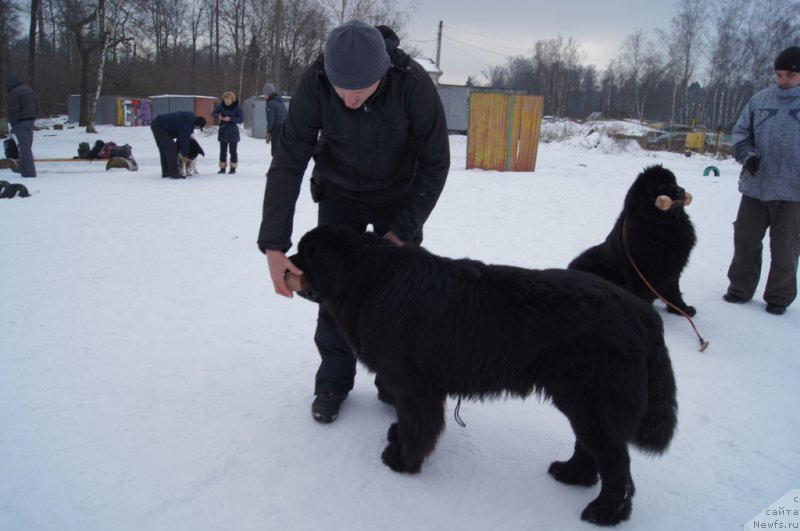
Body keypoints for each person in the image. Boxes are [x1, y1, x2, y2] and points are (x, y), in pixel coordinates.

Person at [257, 20, 450, 423]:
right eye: (340, 90)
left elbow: (435, 164)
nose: (347, 100)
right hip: (340, 193)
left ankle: (394, 380)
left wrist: (400, 233)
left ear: (381, 74)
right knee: (333, 291)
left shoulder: (413, 84)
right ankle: (333, 381)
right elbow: (288, 162)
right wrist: (274, 246)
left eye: (358, 92)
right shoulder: (316, 83)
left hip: (398, 197)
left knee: (401, 295)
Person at [723, 46, 800, 316]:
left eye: (789, 75)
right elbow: (740, 132)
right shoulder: (760, 100)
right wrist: (747, 155)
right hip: (756, 186)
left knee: (785, 246)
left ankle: (779, 297)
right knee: (745, 240)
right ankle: (740, 288)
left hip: (792, 192)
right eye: (779, 74)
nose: (783, 80)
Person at [150, 111, 206, 179]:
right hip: (160, 126)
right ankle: (174, 173)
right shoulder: (186, 125)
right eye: (198, 127)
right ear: (197, 125)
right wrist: (184, 155)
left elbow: (180, 138)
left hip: (157, 123)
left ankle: (166, 172)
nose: (196, 128)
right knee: (171, 148)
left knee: (164, 148)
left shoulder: (188, 119)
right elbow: (184, 140)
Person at [4, 73, 39, 178]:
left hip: (20, 123)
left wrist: (13, 122)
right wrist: (33, 117)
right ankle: (24, 168)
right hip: (30, 121)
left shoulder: (14, 93)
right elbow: (37, 106)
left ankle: (29, 172)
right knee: (26, 147)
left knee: (25, 149)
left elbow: (14, 110)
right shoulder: (29, 90)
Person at [211, 91, 243, 174]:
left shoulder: (237, 108)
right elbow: (213, 113)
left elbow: (241, 119)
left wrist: (231, 119)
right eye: (225, 101)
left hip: (233, 131)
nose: (226, 102)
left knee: (233, 151)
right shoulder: (221, 106)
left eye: (228, 101)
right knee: (222, 151)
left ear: (231, 100)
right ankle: (222, 168)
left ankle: (233, 167)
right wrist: (218, 116)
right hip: (223, 130)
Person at [263, 83, 287, 157]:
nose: (264, 96)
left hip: (277, 129)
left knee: (275, 152)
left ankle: (278, 167)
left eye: (265, 94)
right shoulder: (280, 102)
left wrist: (269, 132)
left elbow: (271, 119)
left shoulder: (271, 103)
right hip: (284, 128)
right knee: (282, 149)